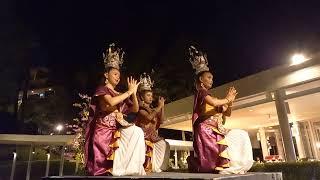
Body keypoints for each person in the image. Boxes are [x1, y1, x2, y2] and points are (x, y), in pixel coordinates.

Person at [187, 46, 253, 174]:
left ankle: (237, 164)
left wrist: (231, 102)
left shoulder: (211, 97)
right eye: (209, 78)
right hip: (206, 130)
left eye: (212, 78)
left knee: (241, 134)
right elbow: (215, 102)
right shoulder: (201, 93)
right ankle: (223, 165)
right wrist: (227, 99)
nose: (212, 80)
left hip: (218, 130)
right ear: (201, 79)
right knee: (213, 162)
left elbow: (227, 113)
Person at [84, 43, 146, 176]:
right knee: (101, 168)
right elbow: (110, 102)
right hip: (103, 131)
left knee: (137, 132)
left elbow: (134, 109)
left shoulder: (120, 93)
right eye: (115, 74)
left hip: (116, 130)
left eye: (119, 75)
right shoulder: (102, 89)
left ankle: (132, 167)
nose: (118, 77)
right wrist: (129, 92)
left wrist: (134, 93)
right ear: (106, 74)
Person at [135, 73, 170, 173]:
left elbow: (161, 120)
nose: (151, 97)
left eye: (151, 95)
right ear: (142, 97)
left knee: (165, 144)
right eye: (148, 95)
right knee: (155, 145)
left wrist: (162, 106)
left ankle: (157, 166)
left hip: (153, 136)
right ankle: (150, 166)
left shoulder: (153, 109)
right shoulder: (140, 109)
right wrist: (159, 107)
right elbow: (148, 118)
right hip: (144, 136)